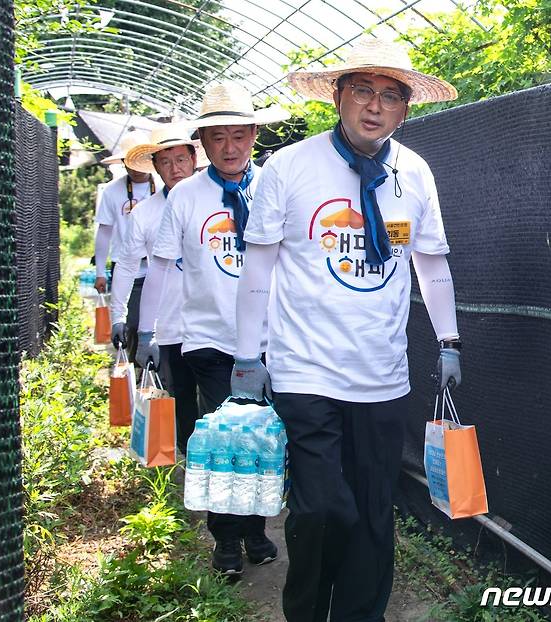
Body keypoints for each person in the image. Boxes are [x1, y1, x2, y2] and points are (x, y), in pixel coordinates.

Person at [231, 37, 462, 622]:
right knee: (320, 510)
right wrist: (247, 355)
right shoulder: (290, 168)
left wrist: (448, 339)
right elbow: (257, 265)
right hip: (304, 371)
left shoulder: (414, 173)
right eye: (363, 89)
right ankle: (306, 612)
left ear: (405, 109)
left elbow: (429, 263)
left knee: (372, 512)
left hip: (381, 376)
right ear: (338, 95)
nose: (375, 106)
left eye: (391, 96)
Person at [134, 82, 290, 575]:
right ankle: (226, 540)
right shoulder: (186, 198)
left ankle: (257, 530)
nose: (229, 147)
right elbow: (159, 268)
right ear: (203, 141)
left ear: (253, 135)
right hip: (211, 341)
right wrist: (147, 334)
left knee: (265, 440)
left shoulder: (276, 185)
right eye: (217, 137)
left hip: (273, 341)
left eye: (238, 136)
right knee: (227, 440)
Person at [110, 124, 200, 454]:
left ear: (193, 158)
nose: (175, 168)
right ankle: (189, 467)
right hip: (170, 326)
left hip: (216, 326)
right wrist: (119, 316)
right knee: (181, 402)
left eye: (180, 158)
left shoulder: (219, 202)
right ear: (155, 166)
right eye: (166, 161)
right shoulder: (146, 214)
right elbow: (127, 266)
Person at [94, 129, 157, 363]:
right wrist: (100, 272)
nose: (137, 168)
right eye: (131, 162)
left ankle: (153, 370)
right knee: (131, 323)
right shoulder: (112, 192)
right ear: (124, 163)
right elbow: (104, 231)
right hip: (127, 266)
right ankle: (136, 369)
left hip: (158, 266)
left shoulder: (163, 186)